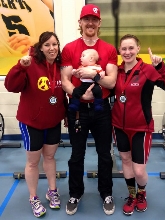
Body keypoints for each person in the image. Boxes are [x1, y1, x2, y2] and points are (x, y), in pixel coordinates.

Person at [111, 34, 165, 216]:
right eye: (124, 49)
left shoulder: (148, 70)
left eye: (131, 48)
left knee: (139, 169)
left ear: (138, 49)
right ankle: (132, 195)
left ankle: (142, 193)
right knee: (125, 161)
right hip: (119, 126)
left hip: (141, 128)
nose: (127, 52)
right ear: (119, 50)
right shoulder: (116, 71)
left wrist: (161, 66)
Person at [61, 4, 118, 216]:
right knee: (77, 155)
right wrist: (79, 94)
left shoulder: (109, 49)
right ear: (80, 23)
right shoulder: (69, 48)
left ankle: (107, 193)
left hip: (101, 109)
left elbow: (111, 82)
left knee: (104, 154)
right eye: (86, 19)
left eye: (94, 19)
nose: (90, 23)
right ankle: (75, 193)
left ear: (99, 23)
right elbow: (65, 80)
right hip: (78, 112)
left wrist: (93, 75)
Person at [4, 31, 68, 218]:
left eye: (55, 44)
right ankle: (33, 197)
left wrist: (64, 113)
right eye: (47, 45)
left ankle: (52, 191)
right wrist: (20, 68)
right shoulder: (29, 63)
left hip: (53, 121)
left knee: (50, 158)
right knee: (33, 163)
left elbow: (61, 92)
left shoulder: (59, 65)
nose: (52, 48)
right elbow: (11, 86)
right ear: (40, 47)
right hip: (32, 122)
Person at [69, 48, 105, 113]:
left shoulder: (96, 67)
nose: (80, 58)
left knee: (98, 91)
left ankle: (98, 105)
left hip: (94, 84)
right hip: (83, 85)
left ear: (91, 58)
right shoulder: (81, 67)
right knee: (76, 90)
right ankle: (75, 104)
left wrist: (102, 73)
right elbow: (78, 75)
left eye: (83, 56)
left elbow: (101, 72)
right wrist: (74, 72)